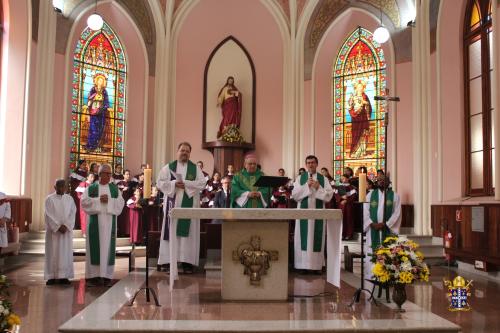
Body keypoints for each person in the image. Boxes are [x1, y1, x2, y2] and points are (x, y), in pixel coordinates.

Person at [156, 142, 206, 274]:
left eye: (187, 151)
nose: (184, 153)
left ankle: (187, 263)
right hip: (173, 206)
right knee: (171, 232)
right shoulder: (168, 167)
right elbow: (159, 182)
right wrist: (173, 184)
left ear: (190, 153)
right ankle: (168, 262)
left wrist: (186, 184)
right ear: (177, 151)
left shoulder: (195, 169)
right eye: (182, 150)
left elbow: (202, 183)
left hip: (189, 207)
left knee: (188, 234)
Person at [81, 164, 125, 287]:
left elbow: (121, 203)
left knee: (107, 249)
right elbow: (84, 203)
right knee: (94, 248)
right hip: (95, 224)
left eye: (110, 173)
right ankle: (93, 277)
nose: (110, 176)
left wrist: (110, 201)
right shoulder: (91, 188)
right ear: (100, 174)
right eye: (107, 173)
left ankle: (106, 276)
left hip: (109, 223)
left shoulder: (114, 189)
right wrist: (98, 200)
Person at [291, 155, 334, 274]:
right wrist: (307, 186)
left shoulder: (323, 179)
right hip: (303, 214)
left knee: (317, 239)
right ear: (306, 165)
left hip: (318, 214)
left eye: (313, 162)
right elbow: (295, 195)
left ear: (317, 164)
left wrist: (318, 187)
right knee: (303, 239)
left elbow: (329, 196)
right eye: (308, 163)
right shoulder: (300, 178)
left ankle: (316, 267)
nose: (311, 164)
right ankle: (302, 266)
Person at [363, 175, 401, 279]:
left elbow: (397, 213)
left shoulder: (395, 196)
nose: (381, 182)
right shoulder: (370, 195)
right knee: (372, 250)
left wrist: (387, 224)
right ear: (376, 182)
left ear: (389, 182)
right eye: (379, 180)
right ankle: (372, 273)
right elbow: (365, 210)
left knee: (388, 250)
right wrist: (371, 223)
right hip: (373, 229)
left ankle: (387, 273)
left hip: (387, 229)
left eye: (384, 180)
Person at [44, 179, 76, 286]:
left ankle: (64, 276)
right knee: (52, 252)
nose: (62, 188)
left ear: (66, 187)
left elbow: (72, 213)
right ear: (55, 187)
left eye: (64, 186)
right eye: (60, 186)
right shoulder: (49, 199)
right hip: (53, 233)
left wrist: (66, 225)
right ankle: (51, 276)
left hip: (66, 232)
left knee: (65, 253)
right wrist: (57, 226)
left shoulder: (70, 199)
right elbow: (48, 215)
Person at [85, 74, 110, 151]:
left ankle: (98, 146)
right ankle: (91, 146)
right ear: (96, 81)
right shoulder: (93, 89)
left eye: (102, 81)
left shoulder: (104, 91)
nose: (100, 82)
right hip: (93, 113)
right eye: (99, 80)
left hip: (101, 113)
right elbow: (89, 99)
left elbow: (106, 102)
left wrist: (102, 108)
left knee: (100, 130)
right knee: (93, 129)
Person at [348, 80, 372, 158]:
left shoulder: (365, 96)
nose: (360, 88)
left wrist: (365, 103)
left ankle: (362, 151)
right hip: (355, 119)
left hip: (363, 117)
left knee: (363, 134)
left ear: (363, 88)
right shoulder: (353, 96)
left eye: (361, 87)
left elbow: (368, 106)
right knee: (355, 134)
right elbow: (350, 107)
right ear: (356, 88)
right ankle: (354, 151)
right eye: (358, 87)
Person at [334, 174, 357, 240]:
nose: (342, 179)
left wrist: (346, 200)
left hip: (348, 206)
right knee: (341, 219)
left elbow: (353, 197)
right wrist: (341, 198)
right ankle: (341, 234)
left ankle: (348, 234)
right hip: (340, 205)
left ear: (347, 179)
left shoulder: (352, 187)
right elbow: (336, 195)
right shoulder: (339, 186)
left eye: (344, 178)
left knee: (348, 219)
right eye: (341, 178)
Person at [69, 159, 87, 231]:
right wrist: (80, 185)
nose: (84, 166)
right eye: (83, 164)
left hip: (84, 194)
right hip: (76, 194)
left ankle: (82, 225)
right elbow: (72, 184)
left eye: (85, 165)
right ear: (79, 165)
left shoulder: (86, 173)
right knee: (76, 208)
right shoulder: (75, 173)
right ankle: (76, 224)